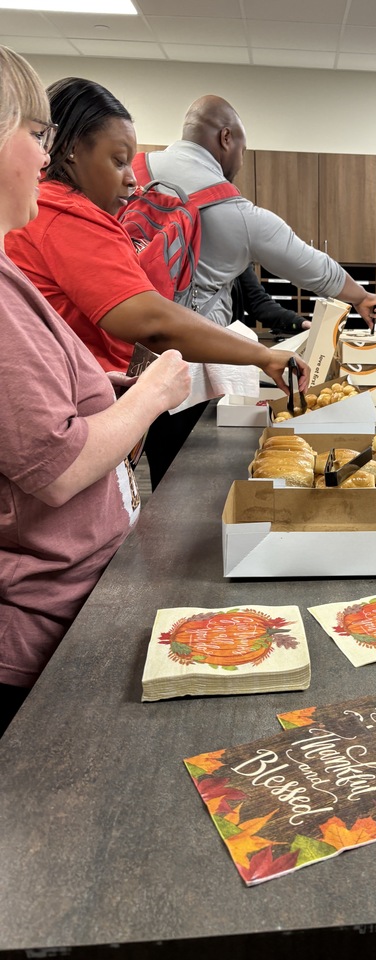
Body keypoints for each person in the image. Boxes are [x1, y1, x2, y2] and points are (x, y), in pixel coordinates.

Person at [0, 47, 191, 736]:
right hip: (39, 624)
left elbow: (31, 399)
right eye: (35, 135)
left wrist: (106, 388)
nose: (43, 156)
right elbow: (55, 468)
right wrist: (153, 391)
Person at [5, 78, 311, 489]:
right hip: (72, 428)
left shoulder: (56, 214)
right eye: (118, 162)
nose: (131, 181)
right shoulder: (67, 217)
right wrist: (264, 356)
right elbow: (152, 321)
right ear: (72, 149)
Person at [138, 94, 376, 330]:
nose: (240, 162)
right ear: (226, 137)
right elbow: (314, 268)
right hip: (184, 349)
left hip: (122, 343)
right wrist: (361, 297)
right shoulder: (236, 213)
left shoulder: (129, 174)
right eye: (242, 151)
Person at [231, 264, 311, 336]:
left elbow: (258, 301)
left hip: (233, 341)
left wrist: (299, 322)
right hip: (227, 339)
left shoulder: (237, 260)